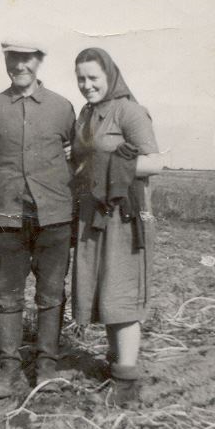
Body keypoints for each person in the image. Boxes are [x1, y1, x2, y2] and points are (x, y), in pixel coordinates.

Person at [0, 40, 75, 399]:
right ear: (6, 61)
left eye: (26, 59)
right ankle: (9, 370)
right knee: (7, 295)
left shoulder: (62, 108)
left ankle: (46, 368)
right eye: (13, 58)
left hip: (55, 219)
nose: (19, 66)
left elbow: (79, 160)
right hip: (9, 218)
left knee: (52, 294)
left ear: (38, 61)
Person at [71, 47, 163, 402]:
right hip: (94, 215)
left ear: (110, 76)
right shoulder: (86, 113)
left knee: (121, 292)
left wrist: (106, 167)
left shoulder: (129, 111)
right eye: (81, 78)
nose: (87, 85)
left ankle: (125, 384)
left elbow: (154, 162)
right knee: (105, 291)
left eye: (93, 78)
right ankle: (115, 366)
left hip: (125, 218)